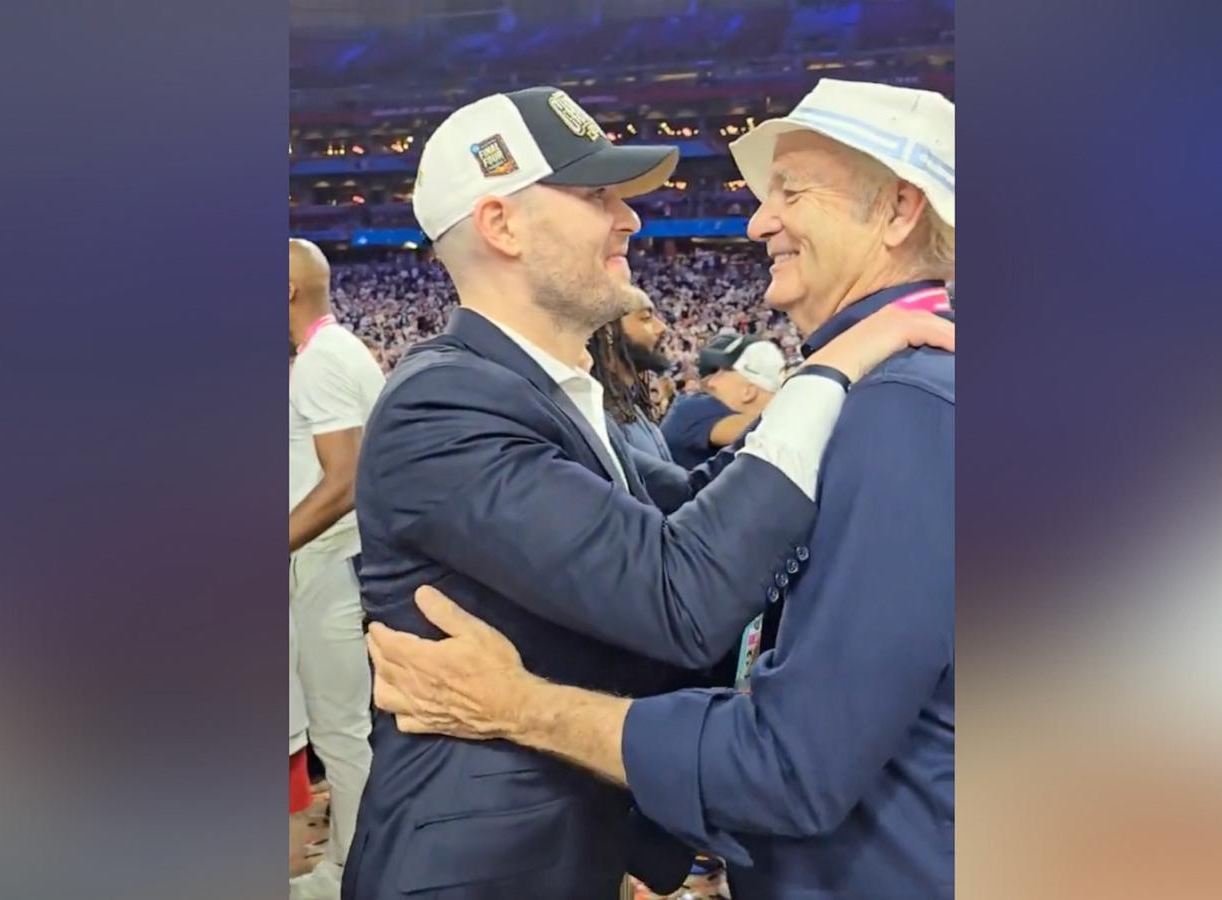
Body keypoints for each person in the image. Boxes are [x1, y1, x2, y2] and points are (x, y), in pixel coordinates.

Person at [343, 85, 954, 900]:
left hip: (571, 850)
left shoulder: (563, 395)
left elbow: (714, 518)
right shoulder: (441, 403)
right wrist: (828, 371)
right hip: (478, 874)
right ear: (502, 224)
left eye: (791, 192)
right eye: (598, 196)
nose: (630, 218)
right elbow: (683, 591)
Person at [288, 238, 385, 900]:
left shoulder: (318, 362)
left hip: (330, 563)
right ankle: (357, 861)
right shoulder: (341, 348)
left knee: (342, 734)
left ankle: (353, 873)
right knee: (351, 731)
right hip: (350, 561)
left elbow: (343, 479)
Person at [659, 334, 784, 469]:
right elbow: (773, 429)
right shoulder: (691, 409)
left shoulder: (693, 408)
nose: (710, 382)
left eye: (720, 372)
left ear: (748, 392)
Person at [588, 292, 676, 464]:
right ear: (608, 331)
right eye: (646, 318)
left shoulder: (633, 405)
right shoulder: (602, 422)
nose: (662, 327)